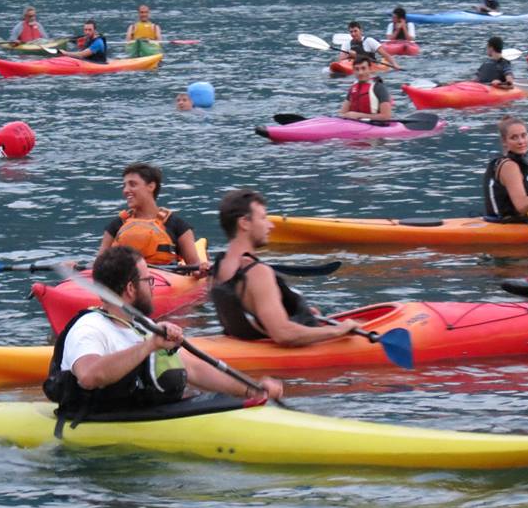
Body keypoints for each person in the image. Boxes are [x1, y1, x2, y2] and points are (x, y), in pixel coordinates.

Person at [43, 245, 284, 417]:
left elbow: (195, 368)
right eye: (148, 281)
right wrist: (149, 346)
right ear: (130, 288)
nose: (152, 288)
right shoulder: (89, 328)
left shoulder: (141, 327)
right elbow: (89, 376)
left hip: (145, 416)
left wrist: (252, 390)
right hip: (97, 426)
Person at [211, 189, 360, 345]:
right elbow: (283, 334)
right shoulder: (257, 272)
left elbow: (244, 314)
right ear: (244, 223)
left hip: (246, 341)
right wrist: (337, 330)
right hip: (283, 350)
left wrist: (301, 315)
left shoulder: (219, 265)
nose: (270, 225)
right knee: (359, 324)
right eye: (263, 218)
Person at [97, 163, 209, 274]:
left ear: (151, 186)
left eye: (132, 184)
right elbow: (97, 265)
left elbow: (195, 268)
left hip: (166, 279)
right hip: (123, 279)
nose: (125, 190)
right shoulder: (116, 225)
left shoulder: (178, 226)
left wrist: (202, 270)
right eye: (124, 185)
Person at [339, 55, 392, 121]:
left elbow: (386, 117)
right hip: (354, 125)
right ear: (353, 71)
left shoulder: (379, 88)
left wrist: (359, 116)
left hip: (376, 126)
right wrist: (347, 116)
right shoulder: (353, 88)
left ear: (370, 69)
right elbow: (342, 113)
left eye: (363, 68)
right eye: (357, 69)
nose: (360, 72)